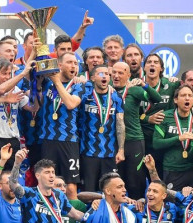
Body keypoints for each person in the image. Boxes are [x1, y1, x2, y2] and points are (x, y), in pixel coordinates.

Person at [37, 52, 86, 200]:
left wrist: (57, 82)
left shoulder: (80, 86)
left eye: (76, 63)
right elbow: (33, 71)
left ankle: (72, 222)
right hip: (47, 139)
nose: (74, 66)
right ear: (59, 65)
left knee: (70, 186)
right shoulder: (46, 83)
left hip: (69, 140)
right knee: (46, 183)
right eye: (70, 62)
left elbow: (71, 104)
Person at [111, 62, 162, 200]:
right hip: (112, 141)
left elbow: (157, 99)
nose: (116, 76)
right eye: (114, 72)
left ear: (128, 75)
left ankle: (138, 208)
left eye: (121, 73)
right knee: (115, 180)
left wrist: (144, 84)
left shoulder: (134, 90)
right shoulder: (107, 90)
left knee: (135, 182)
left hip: (134, 141)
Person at [78, 64, 125, 192]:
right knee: (88, 190)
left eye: (107, 74)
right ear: (92, 78)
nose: (104, 76)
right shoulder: (85, 95)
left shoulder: (116, 97)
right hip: (88, 153)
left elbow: (120, 123)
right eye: (100, 74)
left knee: (110, 190)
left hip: (109, 154)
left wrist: (121, 150)